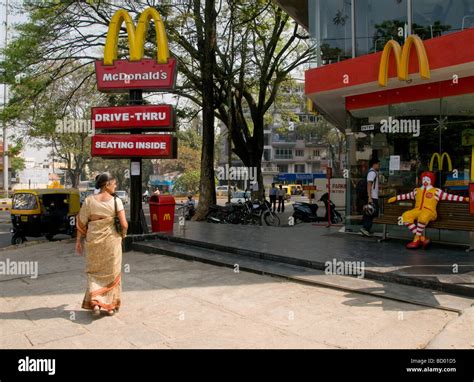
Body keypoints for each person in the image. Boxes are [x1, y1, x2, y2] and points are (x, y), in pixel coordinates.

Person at [76, 172, 128, 317]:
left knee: (94, 273)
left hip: (93, 242)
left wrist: (78, 241)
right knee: (112, 273)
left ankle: (96, 303)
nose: (116, 186)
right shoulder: (116, 201)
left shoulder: (89, 201)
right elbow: (124, 224)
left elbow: (81, 223)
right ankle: (110, 306)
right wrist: (122, 236)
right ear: (107, 184)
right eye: (114, 183)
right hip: (111, 242)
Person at [360, 158, 380, 237]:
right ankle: (365, 228)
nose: (379, 166)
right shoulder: (372, 173)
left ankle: (366, 229)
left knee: (369, 212)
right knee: (370, 212)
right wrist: (370, 197)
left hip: (372, 196)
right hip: (372, 196)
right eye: (378, 164)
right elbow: (369, 184)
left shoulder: (373, 172)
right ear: (374, 164)